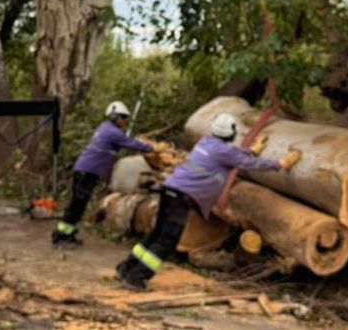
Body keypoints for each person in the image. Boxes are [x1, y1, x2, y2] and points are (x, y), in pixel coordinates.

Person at [115, 113, 302, 291]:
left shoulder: (206, 142)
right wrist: (280, 164)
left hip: (170, 189)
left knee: (156, 234)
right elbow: (248, 163)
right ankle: (136, 278)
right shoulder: (223, 151)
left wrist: (250, 150)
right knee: (167, 241)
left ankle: (125, 268)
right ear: (232, 133)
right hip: (181, 197)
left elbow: (230, 154)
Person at [53, 101, 165, 248]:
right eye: (123, 117)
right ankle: (61, 236)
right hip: (87, 171)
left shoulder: (105, 128)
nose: (126, 120)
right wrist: (154, 148)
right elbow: (132, 144)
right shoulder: (112, 132)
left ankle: (68, 233)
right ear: (114, 117)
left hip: (86, 170)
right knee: (77, 204)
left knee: (79, 203)